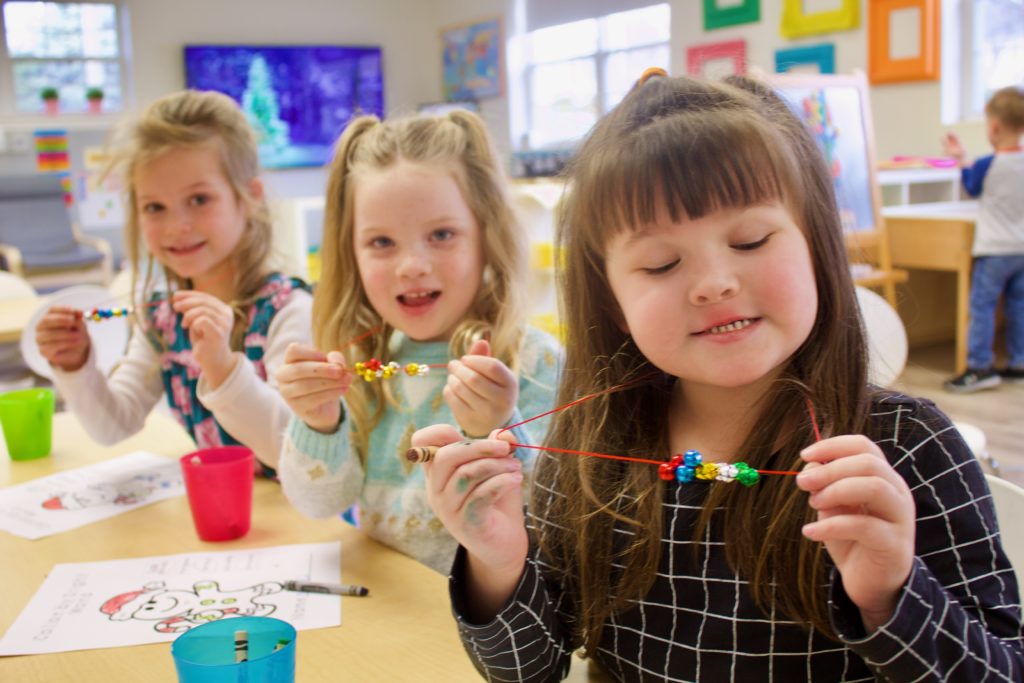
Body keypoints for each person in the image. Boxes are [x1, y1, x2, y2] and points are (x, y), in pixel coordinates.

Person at [414, 73, 1024, 681]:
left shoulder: (905, 447)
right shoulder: (595, 445)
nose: (713, 284)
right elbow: (531, 671)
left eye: (751, 241)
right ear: (612, 302)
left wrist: (892, 596)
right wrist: (498, 564)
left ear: (817, 246)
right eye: (661, 263)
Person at [275, 111, 562, 574]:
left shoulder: (534, 361)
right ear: (351, 253)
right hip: (390, 601)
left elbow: (554, 517)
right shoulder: (361, 362)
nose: (412, 265)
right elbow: (319, 503)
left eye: (441, 235)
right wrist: (317, 423)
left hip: (491, 610)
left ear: (486, 237)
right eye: (381, 242)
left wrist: (493, 428)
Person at [35, 90, 312, 475]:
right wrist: (75, 365)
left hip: (294, 509)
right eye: (154, 207)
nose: (176, 226)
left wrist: (223, 368)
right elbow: (114, 424)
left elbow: (302, 453)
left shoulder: (289, 311)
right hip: (219, 506)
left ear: (249, 197)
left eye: (199, 199)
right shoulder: (164, 318)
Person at [941, 85, 1024, 393]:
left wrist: (961, 159)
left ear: (995, 127)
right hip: (1021, 249)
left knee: (982, 306)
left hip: (994, 249)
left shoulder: (989, 164)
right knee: (1018, 306)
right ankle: (1018, 363)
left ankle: (979, 366)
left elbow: (971, 186)